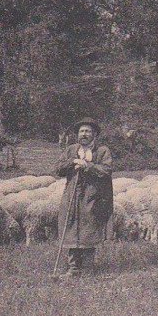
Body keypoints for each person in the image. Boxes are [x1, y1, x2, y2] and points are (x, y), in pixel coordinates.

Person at [55, 118, 113, 277]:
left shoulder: (102, 151)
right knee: (71, 228)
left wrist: (88, 166)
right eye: (81, 131)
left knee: (89, 229)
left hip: (91, 196)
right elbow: (58, 169)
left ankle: (88, 268)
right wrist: (73, 161)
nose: (84, 134)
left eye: (88, 131)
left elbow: (106, 170)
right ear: (77, 134)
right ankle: (73, 268)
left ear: (94, 134)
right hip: (72, 196)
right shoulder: (71, 150)